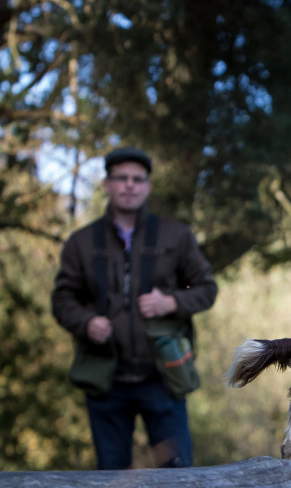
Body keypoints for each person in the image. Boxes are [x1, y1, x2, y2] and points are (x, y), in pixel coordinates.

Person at [51, 147, 218, 469]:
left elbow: (206, 289)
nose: (129, 185)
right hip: (105, 380)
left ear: (147, 186)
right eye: (121, 178)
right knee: (110, 481)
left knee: (178, 475)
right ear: (107, 184)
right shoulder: (81, 242)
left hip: (163, 376)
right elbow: (62, 300)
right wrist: (85, 322)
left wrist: (171, 302)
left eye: (137, 179)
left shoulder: (176, 235)